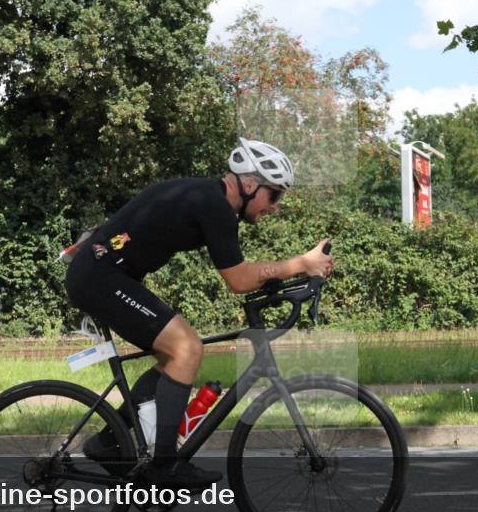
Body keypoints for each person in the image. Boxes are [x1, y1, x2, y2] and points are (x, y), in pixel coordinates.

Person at [64, 138, 334, 488]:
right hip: (100, 276)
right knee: (187, 348)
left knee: (172, 358)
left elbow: (245, 274)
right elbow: (239, 279)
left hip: (104, 274)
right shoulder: (214, 206)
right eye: (274, 195)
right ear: (249, 185)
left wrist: (285, 278)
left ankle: (107, 442)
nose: (275, 206)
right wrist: (301, 264)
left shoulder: (210, 199)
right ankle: (165, 467)